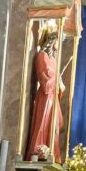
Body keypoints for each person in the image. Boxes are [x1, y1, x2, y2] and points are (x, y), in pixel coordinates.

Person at [25, 28, 64, 163]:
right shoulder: (42, 56)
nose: (59, 45)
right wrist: (56, 80)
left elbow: (57, 83)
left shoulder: (53, 59)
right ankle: (38, 151)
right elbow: (45, 81)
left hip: (53, 97)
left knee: (55, 125)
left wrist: (60, 85)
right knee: (44, 122)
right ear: (52, 41)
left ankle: (52, 152)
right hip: (46, 97)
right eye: (58, 41)